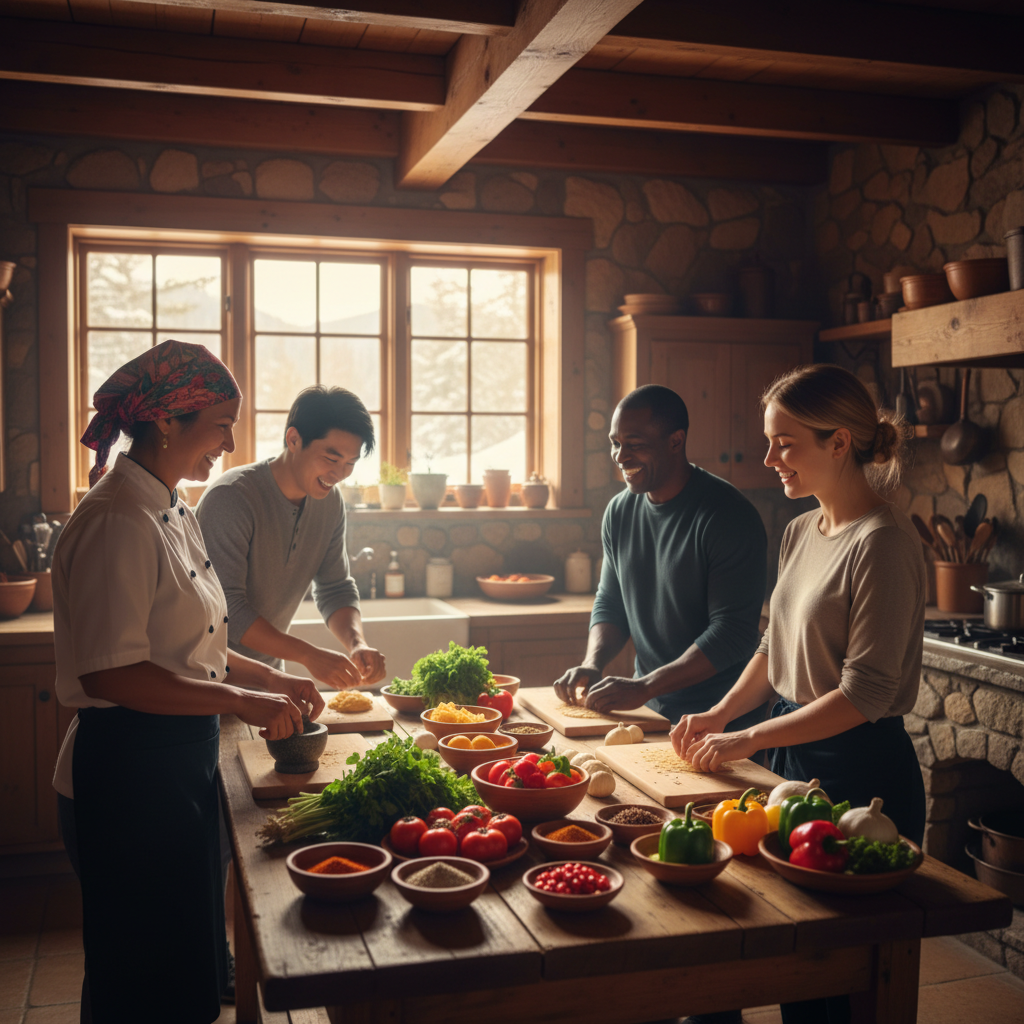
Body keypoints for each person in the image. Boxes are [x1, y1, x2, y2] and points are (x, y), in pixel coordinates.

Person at [52, 340, 324, 1024]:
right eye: (220, 426)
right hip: (128, 772)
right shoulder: (119, 519)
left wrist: (271, 679)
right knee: (140, 980)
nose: (228, 445)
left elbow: (195, 640)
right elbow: (112, 672)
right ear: (167, 421)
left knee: (186, 965)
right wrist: (242, 700)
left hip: (177, 763)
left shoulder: (171, 508)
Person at [674, 364, 926, 1024]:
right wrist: (721, 711)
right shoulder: (799, 530)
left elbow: (865, 694)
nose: (769, 458)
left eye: (784, 443)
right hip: (790, 758)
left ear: (839, 442)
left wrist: (748, 736)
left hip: (858, 768)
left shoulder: (885, 544)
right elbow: (770, 646)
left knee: (833, 986)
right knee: (792, 961)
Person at [553, 384, 768, 734]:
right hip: (649, 711)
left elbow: (733, 633)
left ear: (675, 441)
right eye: (615, 443)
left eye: (635, 445)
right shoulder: (619, 511)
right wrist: (594, 663)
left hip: (721, 718)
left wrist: (645, 685)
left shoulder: (727, 516)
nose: (621, 457)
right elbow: (611, 601)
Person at [197, 385, 384, 690]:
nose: (339, 474)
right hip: (211, 679)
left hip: (271, 680)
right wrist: (308, 656)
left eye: (350, 463)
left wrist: (357, 643)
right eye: (331, 458)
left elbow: (334, 587)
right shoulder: (231, 498)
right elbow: (226, 607)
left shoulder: (331, 502)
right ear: (294, 439)